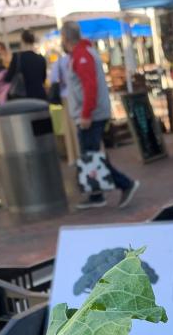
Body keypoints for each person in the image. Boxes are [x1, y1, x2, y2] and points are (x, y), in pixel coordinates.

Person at [60, 20, 140, 209]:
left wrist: (86, 114)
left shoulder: (82, 56)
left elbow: (90, 87)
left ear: (65, 38)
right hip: (90, 112)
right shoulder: (82, 53)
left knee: (93, 156)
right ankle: (97, 193)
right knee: (91, 155)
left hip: (90, 114)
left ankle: (124, 184)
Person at [49, 52, 77, 165]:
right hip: (79, 96)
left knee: (70, 130)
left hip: (66, 97)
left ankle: (74, 157)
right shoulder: (79, 57)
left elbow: (53, 79)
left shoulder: (59, 62)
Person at [3, 30, 47, 101]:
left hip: (22, 96)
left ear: (22, 41)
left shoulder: (17, 58)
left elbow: (8, 78)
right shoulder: (41, 58)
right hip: (39, 95)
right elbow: (43, 79)